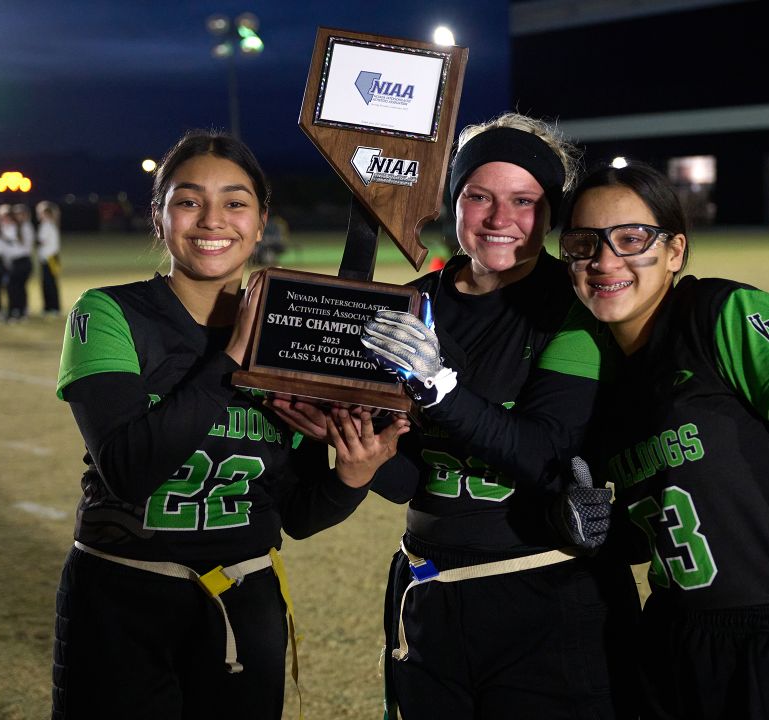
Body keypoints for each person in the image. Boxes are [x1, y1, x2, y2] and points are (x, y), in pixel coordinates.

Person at [273, 113, 638, 719]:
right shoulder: (412, 306)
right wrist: (368, 453)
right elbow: (420, 480)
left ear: (552, 211)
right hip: (432, 594)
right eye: (479, 197)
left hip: (545, 594)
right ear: (453, 201)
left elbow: (545, 453)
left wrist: (440, 387)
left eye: (524, 200)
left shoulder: (573, 307)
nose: (500, 220)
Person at [50, 129, 408, 720]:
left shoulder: (290, 334)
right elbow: (129, 471)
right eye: (188, 200)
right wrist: (233, 357)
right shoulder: (109, 311)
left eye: (235, 202)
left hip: (244, 601)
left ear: (261, 221)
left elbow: (296, 514)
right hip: (122, 601)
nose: (212, 219)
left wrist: (352, 475)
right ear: (160, 218)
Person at [559, 161, 769, 720]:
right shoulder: (591, 368)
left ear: (675, 251)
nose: (605, 260)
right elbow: (658, 522)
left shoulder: (722, 313)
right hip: (672, 641)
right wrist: (596, 524)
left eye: (631, 238)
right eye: (583, 243)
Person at [3, 203, 33, 321]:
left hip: (22, 261)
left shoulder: (25, 227)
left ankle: (15, 311)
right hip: (18, 262)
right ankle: (20, 311)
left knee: (13, 287)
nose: (18, 216)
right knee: (18, 287)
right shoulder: (16, 227)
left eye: (20, 214)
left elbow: (23, 247)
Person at [36, 200, 62, 317]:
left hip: (49, 259)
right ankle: (52, 307)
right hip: (53, 258)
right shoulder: (51, 224)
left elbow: (41, 241)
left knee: (49, 283)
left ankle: (52, 308)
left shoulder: (47, 225)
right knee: (50, 283)